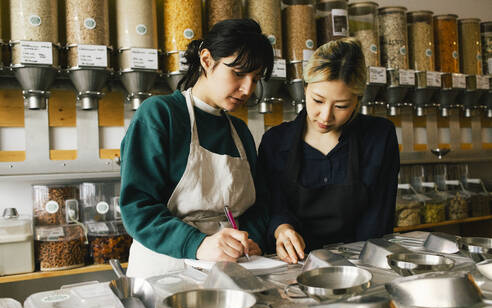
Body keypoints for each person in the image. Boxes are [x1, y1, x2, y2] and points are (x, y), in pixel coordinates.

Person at [120, 19, 273, 278]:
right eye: (238, 73)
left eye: (255, 79)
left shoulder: (240, 131)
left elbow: (258, 206)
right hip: (166, 269)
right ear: (206, 59)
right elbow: (138, 207)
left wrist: (251, 239)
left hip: (231, 269)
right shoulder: (161, 115)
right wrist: (197, 244)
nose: (247, 89)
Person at [258, 38, 400, 264]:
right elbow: (272, 205)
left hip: (361, 263)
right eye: (317, 100)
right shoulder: (276, 141)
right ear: (305, 89)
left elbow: (377, 218)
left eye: (341, 106)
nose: (325, 116)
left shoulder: (379, 137)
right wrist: (281, 228)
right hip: (292, 265)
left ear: (357, 100)